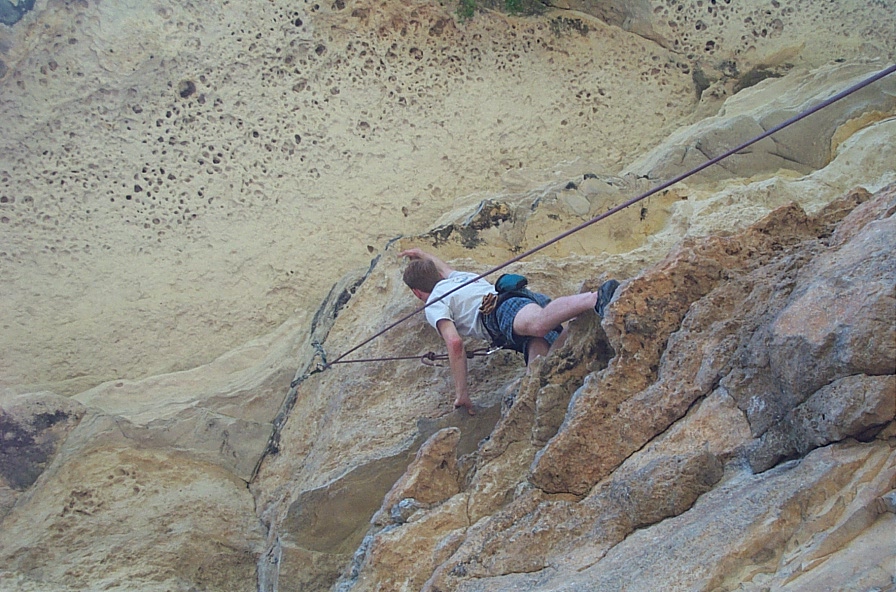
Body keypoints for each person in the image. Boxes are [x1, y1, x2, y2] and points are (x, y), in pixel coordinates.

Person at [400, 248, 619, 415]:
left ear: (417, 292)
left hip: (501, 311)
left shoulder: (433, 303)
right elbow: (442, 267)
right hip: (519, 306)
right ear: (437, 275)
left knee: (538, 324)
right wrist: (421, 253)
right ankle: (578, 319)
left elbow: (454, 343)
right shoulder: (458, 277)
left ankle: (596, 298)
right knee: (540, 373)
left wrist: (462, 394)